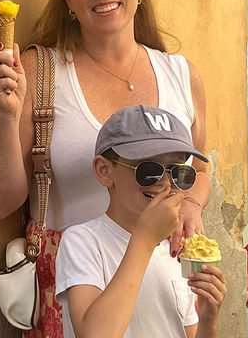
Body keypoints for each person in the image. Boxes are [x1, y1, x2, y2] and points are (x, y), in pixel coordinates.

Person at [0, 0, 210, 336]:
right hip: (76, 293)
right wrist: (7, 114)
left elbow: (200, 168)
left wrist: (191, 206)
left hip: (166, 287)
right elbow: (0, 203)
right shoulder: (41, 72)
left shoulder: (181, 74)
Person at [55, 105, 226, 337]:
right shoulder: (83, 242)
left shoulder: (176, 250)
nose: (166, 183)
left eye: (178, 172)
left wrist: (209, 319)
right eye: (149, 169)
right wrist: (145, 239)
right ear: (105, 171)